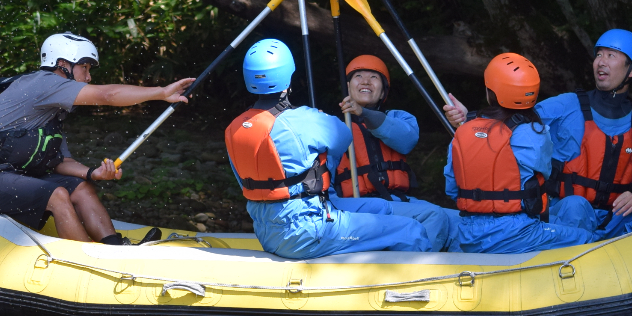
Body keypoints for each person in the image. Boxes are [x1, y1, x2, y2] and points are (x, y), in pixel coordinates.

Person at [0, 32, 193, 243]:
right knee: (57, 194)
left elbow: (60, 161)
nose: (88, 77)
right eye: (84, 68)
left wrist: (93, 173)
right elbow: (107, 95)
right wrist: (161, 93)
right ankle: (89, 261)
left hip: (17, 176)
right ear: (62, 65)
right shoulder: (44, 84)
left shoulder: (51, 110)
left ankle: (114, 247)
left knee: (81, 187)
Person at [224, 39, 432, 259]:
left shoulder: (234, 129)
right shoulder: (305, 118)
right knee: (410, 230)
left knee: (382, 209)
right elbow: (343, 138)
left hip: (266, 233)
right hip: (312, 230)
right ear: (288, 78)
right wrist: (319, 119)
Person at [443, 53, 597, 254]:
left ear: (490, 92)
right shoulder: (535, 132)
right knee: (587, 239)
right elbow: (545, 172)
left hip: (469, 234)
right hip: (517, 233)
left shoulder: (463, 132)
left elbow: (452, 189)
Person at [536, 29, 632, 238]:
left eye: (611, 55)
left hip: (612, 218)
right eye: (599, 55)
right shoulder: (565, 106)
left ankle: (624, 255)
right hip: (563, 212)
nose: (601, 62)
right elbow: (517, 125)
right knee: (576, 206)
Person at [334, 54, 459, 253]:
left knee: (460, 222)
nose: (366, 81)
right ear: (348, 87)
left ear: (383, 91)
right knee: (434, 216)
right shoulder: (334, 127)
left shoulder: (399, 117)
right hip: (359, 206)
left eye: (373, 77)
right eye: (358, 76)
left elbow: (406, 140)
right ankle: (414, 269)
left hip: (399, 201)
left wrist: (364, 114)